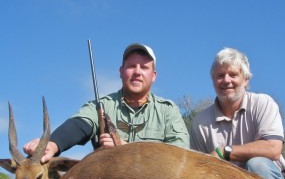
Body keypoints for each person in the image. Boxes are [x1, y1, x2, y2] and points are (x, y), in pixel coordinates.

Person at [24, 43, 189, 162]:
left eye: (144, 67)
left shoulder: (168, 110)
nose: (137, 72)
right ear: (121, 72)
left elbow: (180, 155)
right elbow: (80, 123)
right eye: (131, 66)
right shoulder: (103, 105)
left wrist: (126, 148)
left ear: (153, 75)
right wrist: (52, 144)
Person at [190, 47, 285, 179]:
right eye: (220, 76)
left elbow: (273, 149)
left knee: (257, 163)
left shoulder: (263, 103)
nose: (226, 80)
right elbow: (198, 168)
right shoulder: (200, 121)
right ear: (213, 81)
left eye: (233, 74)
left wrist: (225, 152)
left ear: (246, 80)